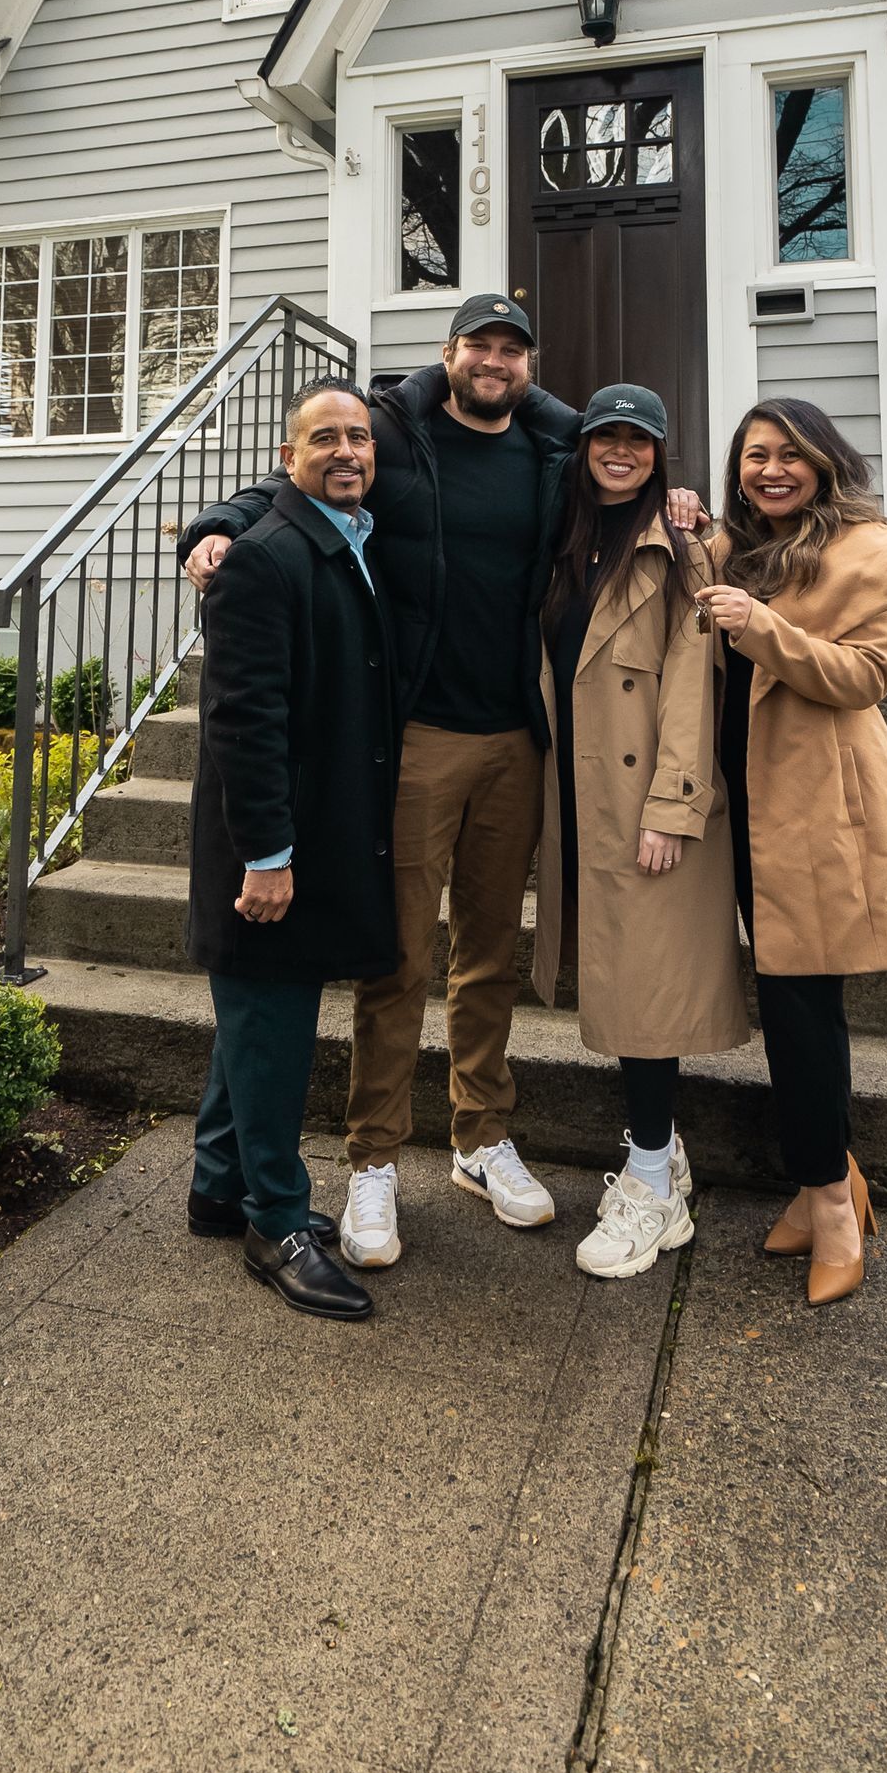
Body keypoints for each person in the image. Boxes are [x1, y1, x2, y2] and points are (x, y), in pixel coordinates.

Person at [183, 296, 708, 1271]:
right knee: (398, 955)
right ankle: (375, 1157)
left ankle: (480, 1136)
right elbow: (295, 479)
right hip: (417, 737)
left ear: (528, 362)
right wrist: (215, 527)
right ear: (450, 353)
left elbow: (622, 482)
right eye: (480, 345)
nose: (495, 361)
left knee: (488, 952)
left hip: (517, 737)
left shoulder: (554, 454)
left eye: (512, 347)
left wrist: (681, 499)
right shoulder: (392, 430)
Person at [184, 380, 398, 1320]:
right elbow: (243, 720)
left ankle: (216, 1183)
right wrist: (266, 854)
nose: (346, 450)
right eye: (324, 438)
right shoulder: (265, 560)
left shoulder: (346, 538)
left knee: (255, 1019)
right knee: (272, 1023)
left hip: (313, 825)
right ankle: (277, 1220)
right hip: (268, 840)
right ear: (288, 457)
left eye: (358, 435)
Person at [697, 399, 887, 1308]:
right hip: (739, 804)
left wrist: (759, 626)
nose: (771, 470)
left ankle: (830, 1198)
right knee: (786, 998)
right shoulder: (734, 547)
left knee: (802, 1002)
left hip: (819, 802)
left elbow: (867, 674)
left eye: (790, 454)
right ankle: (826, 1177)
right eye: (755, 456)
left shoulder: (866, 546)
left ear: (824, 461)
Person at [531, 385, 749, 1280]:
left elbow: (698, 679)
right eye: (604, 436)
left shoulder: (687, 542)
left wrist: (674, 805)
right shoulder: (563, 537)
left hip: (649, 802)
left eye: (639, 440)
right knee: (623, 980)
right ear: (582, 445)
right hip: (578, 793)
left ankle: (654, 1181)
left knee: (646, 992)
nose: (620, 451)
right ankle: (658, 1157)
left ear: (663, 453)